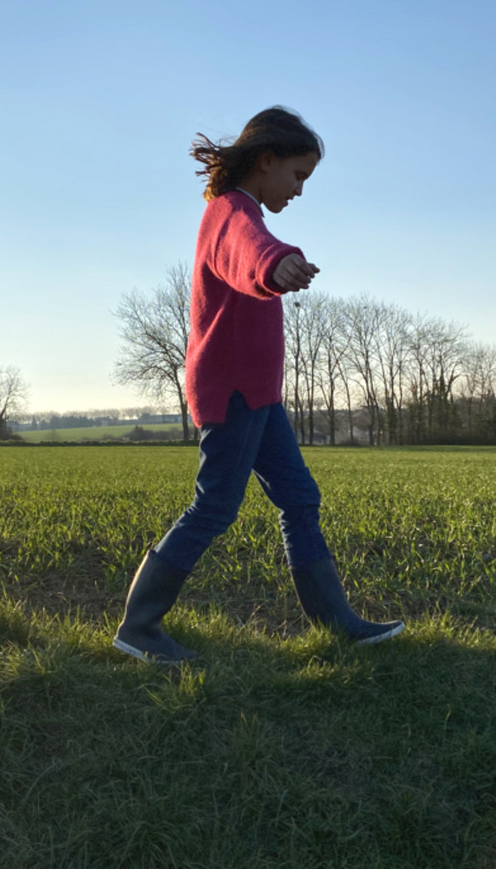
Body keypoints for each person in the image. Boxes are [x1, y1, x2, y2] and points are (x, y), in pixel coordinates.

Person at [114, 106, 405, 663]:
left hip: (257, 396)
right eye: (298, 176)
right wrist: (277, 263)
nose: (299, 190)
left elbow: (253, 247)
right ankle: (139, 626)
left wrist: (275, 259)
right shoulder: (232, 212)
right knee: (215, 507)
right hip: (234, 392)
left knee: (299, 498)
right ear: (266, 160)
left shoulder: (242, 211)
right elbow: (246, 251)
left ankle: (338, 623)